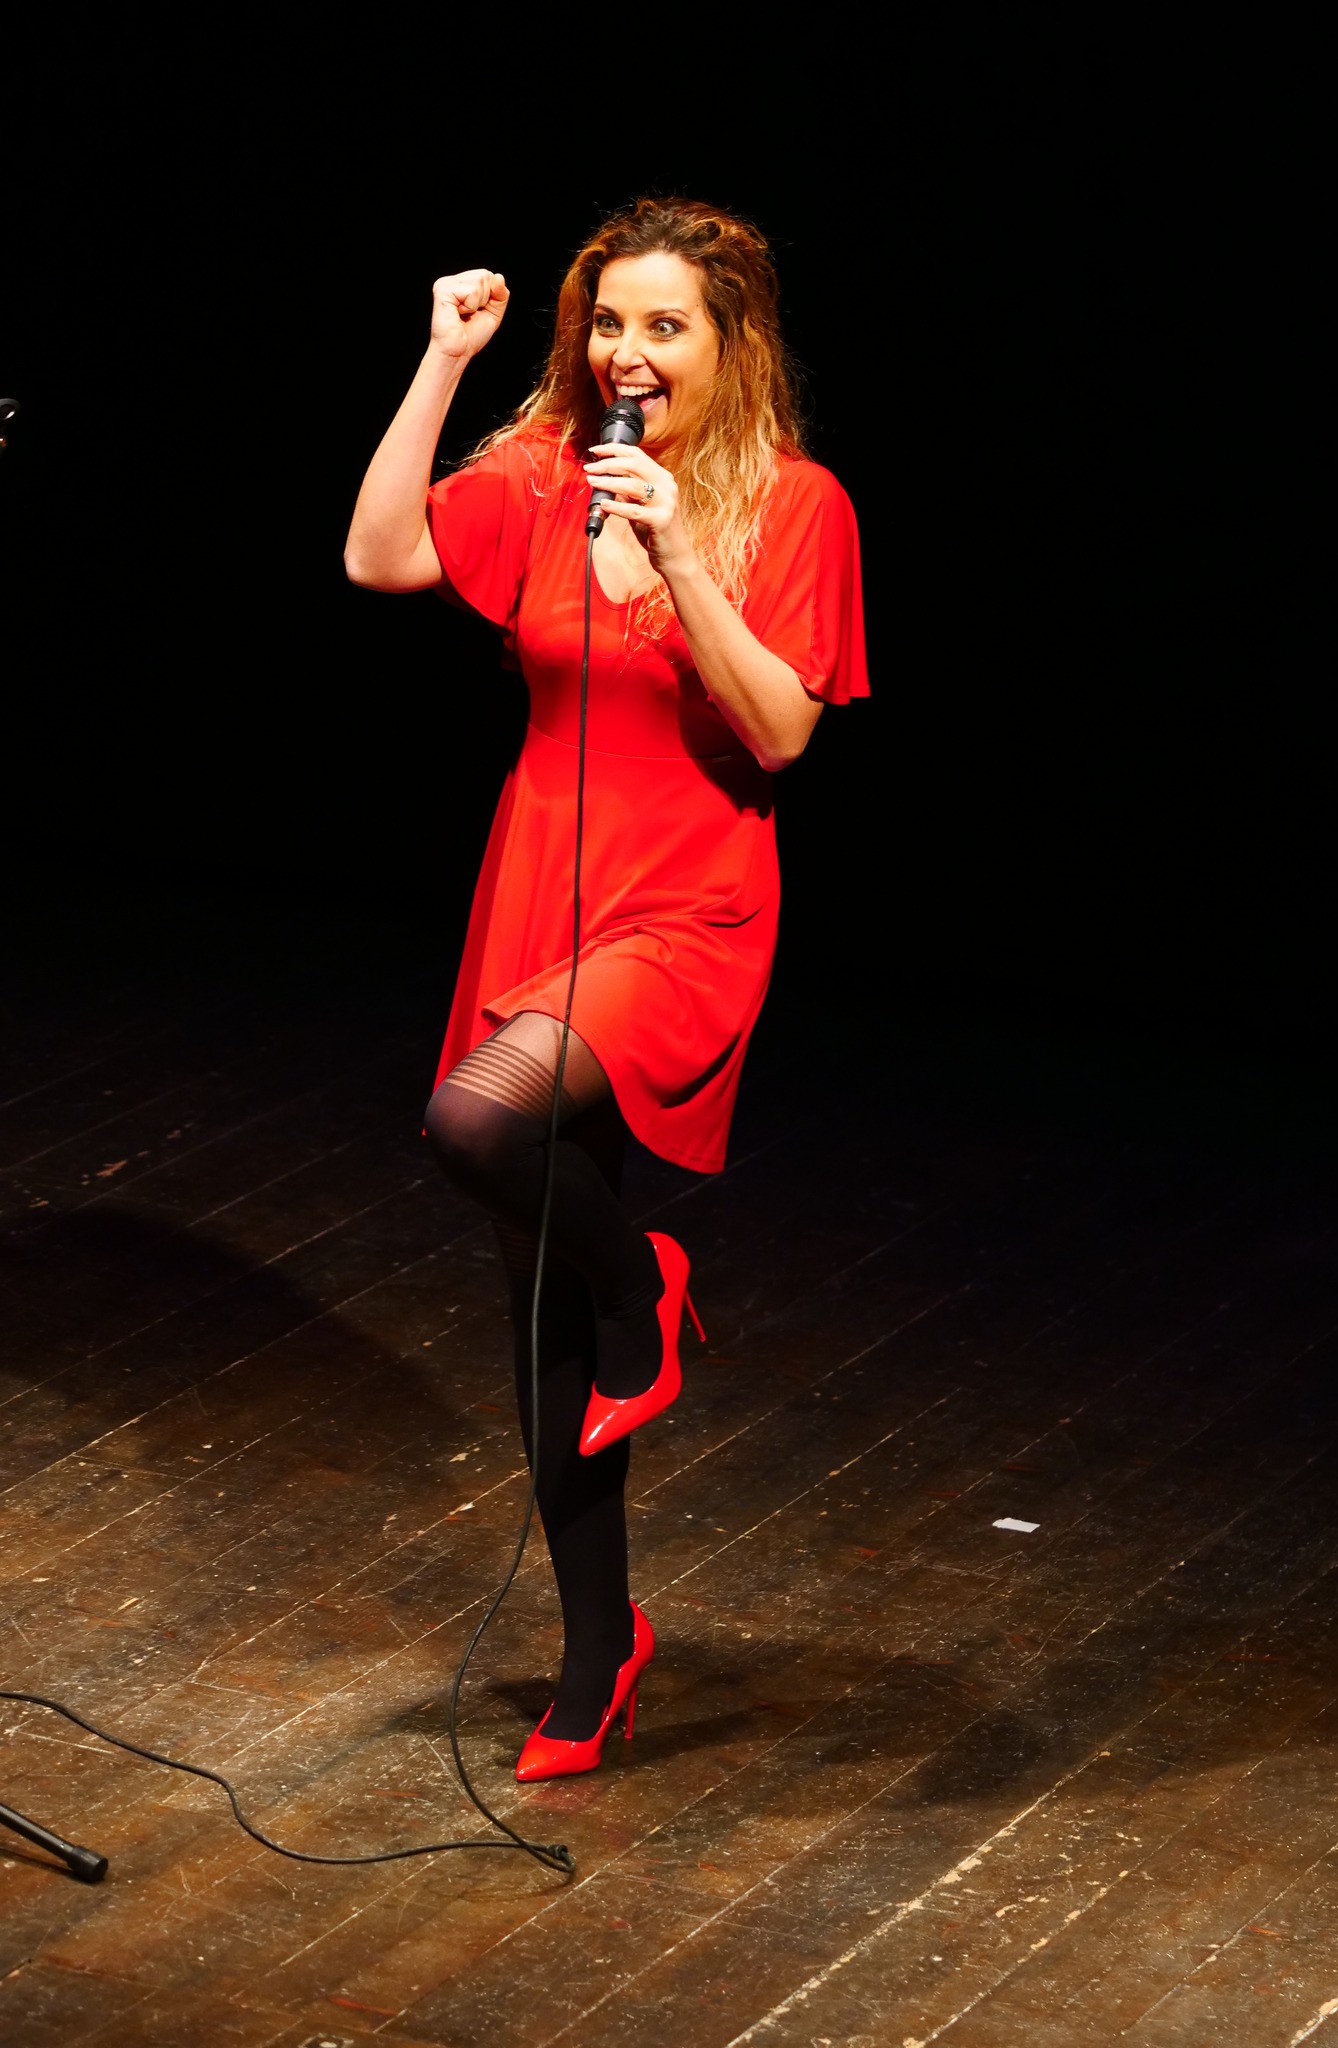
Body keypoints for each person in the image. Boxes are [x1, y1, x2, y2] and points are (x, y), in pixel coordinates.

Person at [344, 197, 867, 1783]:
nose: (628, 354)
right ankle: (597, 1649)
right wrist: (444, 364)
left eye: (666, 326)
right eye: (609, 324)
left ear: (732, 345)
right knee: (538, 1312)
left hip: (688, 897)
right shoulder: (544, 471)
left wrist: (682, 553)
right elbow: (378, 556)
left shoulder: (795, 504)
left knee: (478, 1124)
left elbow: (780, 731)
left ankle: (647, 1278)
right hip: (541, 881)